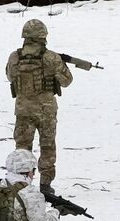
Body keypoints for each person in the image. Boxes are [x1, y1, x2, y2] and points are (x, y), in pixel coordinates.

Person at [6, 19, 76, 189]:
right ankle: (45, 184)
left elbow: (10, 76)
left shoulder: (15, 56)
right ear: (43, 36)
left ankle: (21, 182)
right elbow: (67, 81)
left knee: (22, 147)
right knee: (47, 147)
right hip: (46, 111)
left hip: (23, 110)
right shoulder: (51, 57)